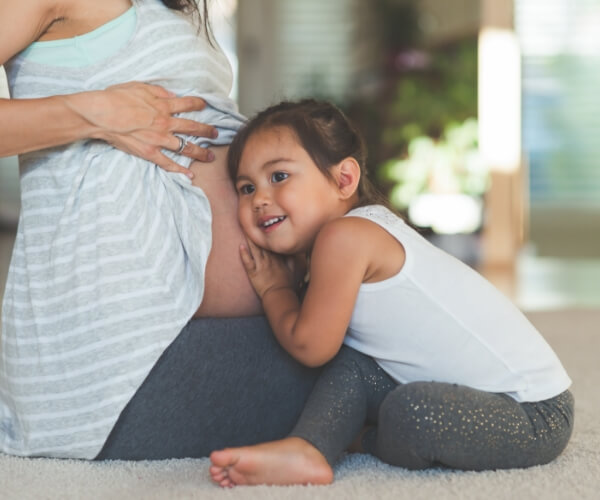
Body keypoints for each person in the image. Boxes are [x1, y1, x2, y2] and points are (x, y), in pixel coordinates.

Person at [0, 0, 320, 459]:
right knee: (364, 364)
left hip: (215, 328)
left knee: (375, 327)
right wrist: (95, 113)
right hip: (126, 372)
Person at [209, 99, 574, 486]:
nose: (259, 199)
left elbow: (311, 346)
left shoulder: (344, 237)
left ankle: (359, 439)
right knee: (355, 365)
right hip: (473, 396)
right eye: (246, 188)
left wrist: (274, 288)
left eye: (279, 177)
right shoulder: (345, 237)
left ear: (344, 180)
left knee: (411, 411)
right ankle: (309, 448)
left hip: (534, 414)